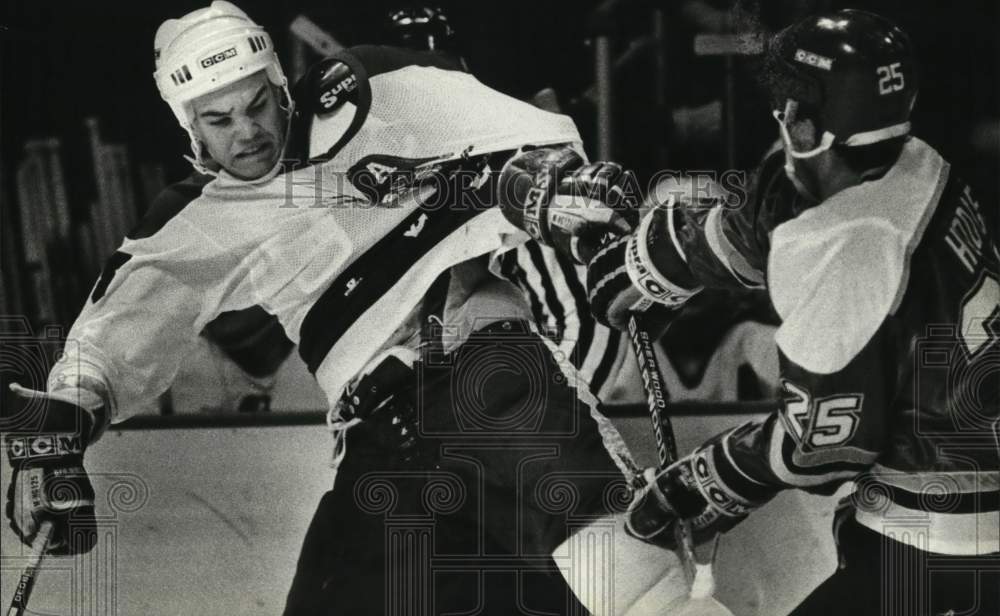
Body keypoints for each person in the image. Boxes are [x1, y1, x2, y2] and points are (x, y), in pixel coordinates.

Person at [2, 3, 711, 614]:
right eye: (219, 121)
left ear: (280, 82)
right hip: (380, 441)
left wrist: (554, 188)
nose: (247, 133)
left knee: (629, 583)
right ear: (189, 129)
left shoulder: (371, 88)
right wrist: (57, 437)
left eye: (257, 104)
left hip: (486, 378)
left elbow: (534, 145)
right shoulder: (196, 219)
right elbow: (109, 342)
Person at [505, 8, 999, 615]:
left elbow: (819, 448)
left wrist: (700, 483)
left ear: (804, 123)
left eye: (789, 103)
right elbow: (773, 217)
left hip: (943, 537)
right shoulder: (911, 160)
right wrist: (647, 264)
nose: (780, 113)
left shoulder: (851, 250)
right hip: (951, 483)